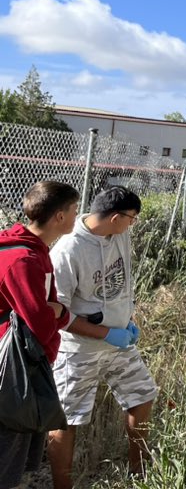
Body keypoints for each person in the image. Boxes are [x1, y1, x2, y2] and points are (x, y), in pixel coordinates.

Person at [47, 187, 159, 489]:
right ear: (114, 217)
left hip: (118, 344)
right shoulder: (68, 251)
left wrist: (126, 321)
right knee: (67, 420)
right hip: (79, 350)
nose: (132, 225)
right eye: (131, 219)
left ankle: (139, 473)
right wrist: (106, 332)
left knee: (143, 396)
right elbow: (57, 312)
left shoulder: (119, 234)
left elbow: (119, 284)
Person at [0, 181, 76, 489]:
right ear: (58, 216)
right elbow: (41, 322)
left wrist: (56, 310)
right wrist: (58, 312)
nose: (76, 215)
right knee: (6, 455)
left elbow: (51, 307)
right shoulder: (23, 260)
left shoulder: (33, 250)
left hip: (24, 364)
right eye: (73, 209)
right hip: (13, 370)